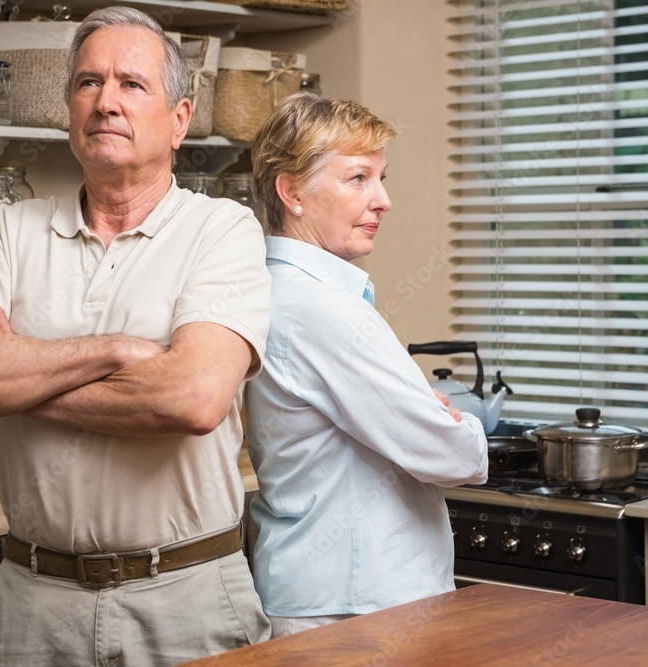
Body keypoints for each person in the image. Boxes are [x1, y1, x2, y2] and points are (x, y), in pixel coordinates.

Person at [0, 7, 272, 665]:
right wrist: (115, 351)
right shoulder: (14, 228)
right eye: (87, 83)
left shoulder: (222, 230)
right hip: (32, 601)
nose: (105, 101)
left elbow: (192, 399)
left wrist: (13, 379)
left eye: (131, 84)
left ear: (179, 119)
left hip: (185, 598)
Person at [244, 92, 489, 638]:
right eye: (358, 179)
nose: (383, 200)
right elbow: (456, 456)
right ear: (293, 193)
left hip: (323, 591)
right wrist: (454, 423)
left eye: (381, 178)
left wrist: (424, 413)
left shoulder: (275, 289)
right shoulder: (323, 310)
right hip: (357, 605)